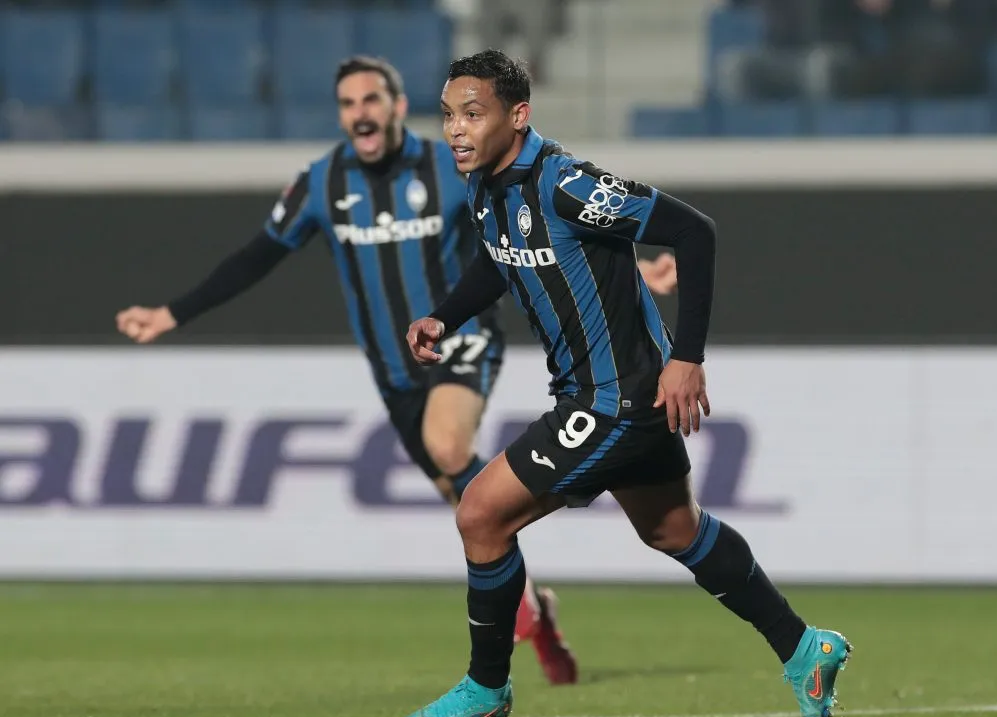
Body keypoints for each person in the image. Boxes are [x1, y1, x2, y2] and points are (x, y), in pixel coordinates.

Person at [114, 57, 682, 685]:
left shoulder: (452, 160)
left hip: (461, 337)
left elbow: (546, 220)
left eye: (372, 99)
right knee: (466, 504)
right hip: (396, 367)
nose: (361, 112)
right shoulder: (322, 184)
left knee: (452, 452)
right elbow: (257, 257)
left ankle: (501, 633)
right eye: (348, 103)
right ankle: (534, 612)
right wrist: (173, 312)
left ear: (394, 105)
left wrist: (634, 269)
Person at [398, 49, 852, 717]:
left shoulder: (568, 185)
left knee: (482, 516)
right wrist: (445, 316)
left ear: (518, 116)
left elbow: (694, 232)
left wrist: (688, 358)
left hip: (615, 399)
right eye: (450, 116)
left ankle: (486, 686)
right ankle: (803, 646)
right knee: (674, 530)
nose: (457, 130)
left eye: (473, 114)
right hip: (600, 395)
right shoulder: (486, 186)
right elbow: (500, 258)